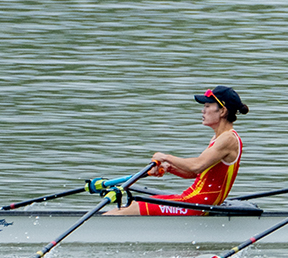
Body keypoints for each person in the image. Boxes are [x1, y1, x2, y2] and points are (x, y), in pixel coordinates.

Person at [105, 86, 249, 216]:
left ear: (222, 111)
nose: (202, 110)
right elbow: (195, 173)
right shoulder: (218, 137)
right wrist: (169, 168)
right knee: (131, 206)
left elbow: (197, 165)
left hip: (196, 205)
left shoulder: (228, 139)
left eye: (207, 106)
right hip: (193, 201)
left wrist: (166, 157)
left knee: (132, 209)